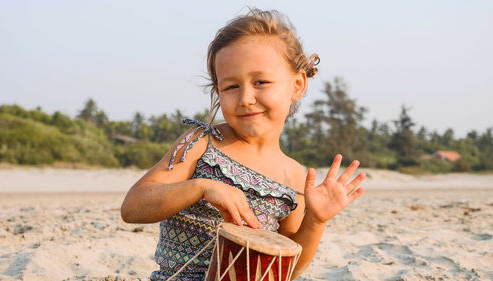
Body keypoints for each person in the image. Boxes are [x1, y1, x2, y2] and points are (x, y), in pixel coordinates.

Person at [121, 8, 365, 281]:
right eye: (231, 87)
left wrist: (316, 221)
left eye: (260, 82)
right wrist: (201, 187)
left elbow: (287, 268)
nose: (246, 98)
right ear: (218, 92)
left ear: (297, 85)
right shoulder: (202, 142)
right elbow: (133, 207)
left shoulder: (293, 175)